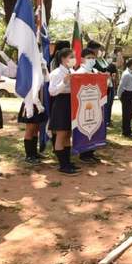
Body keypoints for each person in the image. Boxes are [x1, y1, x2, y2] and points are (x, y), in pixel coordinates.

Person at [48, 48, 80, 176]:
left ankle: (67, 161)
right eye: (70, 57)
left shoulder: (72, 71)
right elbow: (52, 91)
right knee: (61, 135)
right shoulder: (56, 73)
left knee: (67, 134)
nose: (73, 59)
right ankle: (62, 165)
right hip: (61, 103)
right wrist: (64, 81)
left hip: (71, 103)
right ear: (63, 59)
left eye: (74, 56)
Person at [18, 54, 49, 165]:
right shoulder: (28, 71)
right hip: (31, 103)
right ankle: (29, 155)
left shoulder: (40, 70)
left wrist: (44, 67)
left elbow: (47, 79)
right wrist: (37, 103)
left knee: (36, 128)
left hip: (39, 102)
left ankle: (34, 153)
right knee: (30, 129)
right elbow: (29, 90)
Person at [74, 48, 104, 164]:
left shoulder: (96, 71)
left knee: (94, 128)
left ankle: (91, 152)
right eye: (88, 58)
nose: (91, 60)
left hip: (95, 105)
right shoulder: (78, 73)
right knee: (84, 129)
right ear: (82, 59)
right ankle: (84, 154)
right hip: (82, 106)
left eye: (93, 58)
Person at [118, 58, 132, 138]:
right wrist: (119, 95)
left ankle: (128, 130)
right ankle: (126, 131)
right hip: (127, 94)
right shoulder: (126, 74)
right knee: (126, 114)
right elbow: (121, 85)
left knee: (130, 113)